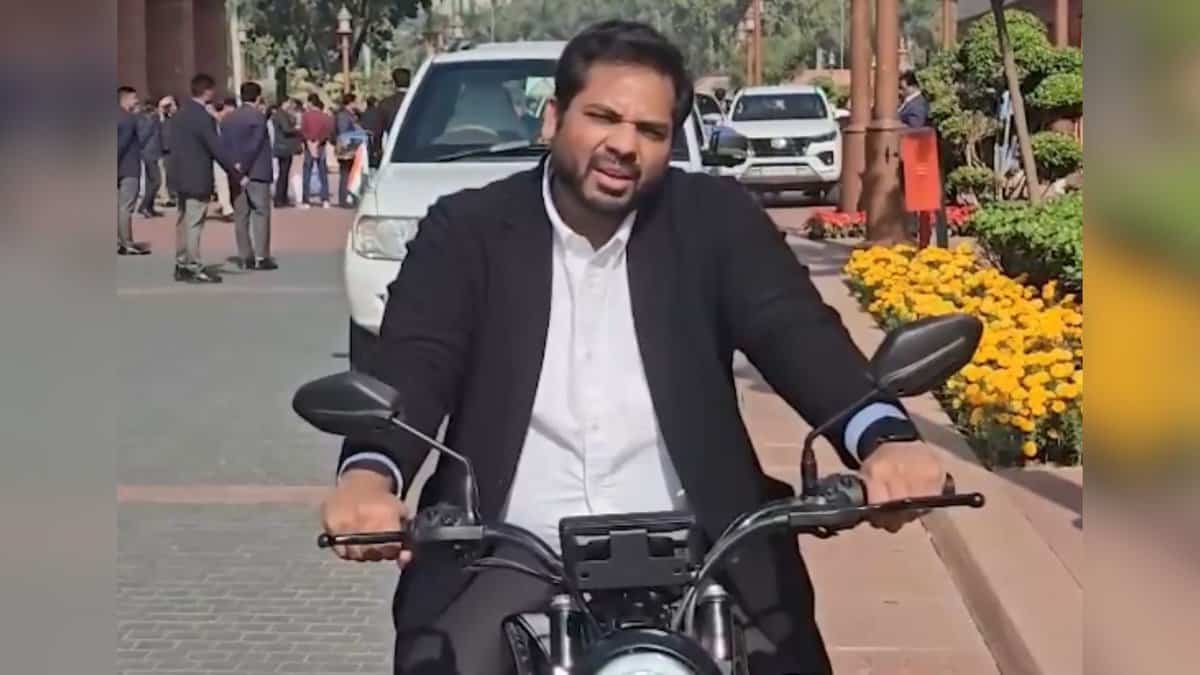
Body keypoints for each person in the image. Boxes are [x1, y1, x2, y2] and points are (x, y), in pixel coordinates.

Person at [320, 21, 945, 675]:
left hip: (703, 547)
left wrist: (885, 438)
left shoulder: (714, 218)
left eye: (650, 131)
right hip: (507, 547)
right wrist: (369, 475)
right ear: (553, 120)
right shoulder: (468, 230)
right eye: (602, 117)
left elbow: (797, 333)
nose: (624, 144)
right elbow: (415, 364)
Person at [168, 73, 244, 283]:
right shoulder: (203, 118)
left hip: (179, 174)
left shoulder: (179, 115)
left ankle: (181, 262)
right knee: (194, 223)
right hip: (197, 175)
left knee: (183, 221)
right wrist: (235, 173)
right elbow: (216, 148)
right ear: (208, 91)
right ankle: (193, 266)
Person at [221, 81, 277, 271]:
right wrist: (244, 168)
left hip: (235, 174)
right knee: (260, 213)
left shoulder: (228, 119)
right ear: (258, 97)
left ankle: (245, 256)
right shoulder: (257, 118)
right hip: (256, 172)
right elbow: (254, 145)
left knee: (241, 215)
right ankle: (261, 256)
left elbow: (224, 146)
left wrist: (235, 169)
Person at [117, 86, 150, 255]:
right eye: (134, 98)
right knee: (125, 207)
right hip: (128, 167)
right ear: (125, 99)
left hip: (118, 166)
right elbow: (123, 143)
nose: (136, 101)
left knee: (118, 206)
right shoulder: (129, 119)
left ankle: (119, 240)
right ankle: (126, 242)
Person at [361, 67, 410, 168]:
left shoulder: (385, 104)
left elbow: (378, 131)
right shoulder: (419, 100)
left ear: (394, 83)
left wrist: (377, 150)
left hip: (393, 150)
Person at [300, 94, 334, 208]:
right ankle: (325, 199)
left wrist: (309, 141)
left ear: (310, 103)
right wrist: (319, 141)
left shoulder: (305, 116)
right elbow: (328, 132)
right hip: (321, 147)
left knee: (307, 173)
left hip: (309, 147)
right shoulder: (325, 117)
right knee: (323, 173)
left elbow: (303, 130)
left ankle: (306, 200)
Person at [334, 93, 366, 208]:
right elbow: (343, 132)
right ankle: (344, 199)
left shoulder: (352, 115)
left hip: (353, 147)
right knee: (345, 174)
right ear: (351, 102)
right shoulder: (343, 115)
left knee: (351, 173)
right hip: (346, 149)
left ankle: (349, 197)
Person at [135, 101, 166, 218]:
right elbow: (142, 137)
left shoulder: (155, 119)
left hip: (155, 153)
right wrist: (151, 122)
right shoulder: (143, 119)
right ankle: (143, 206)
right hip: (148, 154)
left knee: (150, 182)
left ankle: (149, 207)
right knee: (156, 181)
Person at [271, 99, 302, 207]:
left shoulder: (281, 114)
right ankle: (280, 198)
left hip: (283, 146)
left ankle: (282, 197)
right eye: (288, 102)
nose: (290, 105)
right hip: (284, 147)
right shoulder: (281, 114)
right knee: (283, 174)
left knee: (284, 173)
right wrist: (297, 129)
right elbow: (286, 129)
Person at [156, 96, 178, 208]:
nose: (169, 108)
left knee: (173, 174)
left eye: (171, 105)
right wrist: (161, 108)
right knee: (163, 175)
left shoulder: (175, 118)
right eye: (168, 106)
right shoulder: (160, 119)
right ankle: (165, 198)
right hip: (162, 150)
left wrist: (173, 107)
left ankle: (173, 194)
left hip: (174, 150)